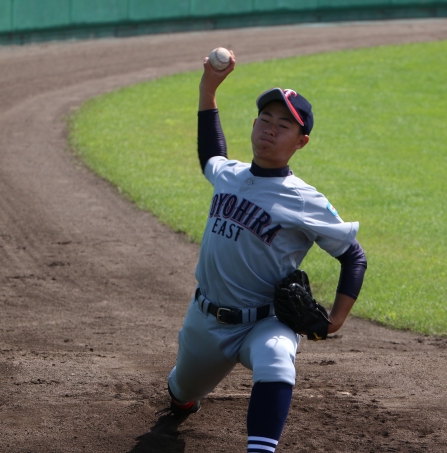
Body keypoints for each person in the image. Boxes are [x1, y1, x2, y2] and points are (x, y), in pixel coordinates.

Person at [163, 49, 368, 452]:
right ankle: (184, 398)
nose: (270, 130)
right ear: (254, 125)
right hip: (207, 320)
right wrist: (208, 89)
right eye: (265, 120)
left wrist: (336, 321)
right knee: (181, 391)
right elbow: (211, 154)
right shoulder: (230, 175)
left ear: (301, 141)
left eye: (283, 125)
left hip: (266, 320)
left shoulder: (304, 199)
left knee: (277, 359)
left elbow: (353, 255)